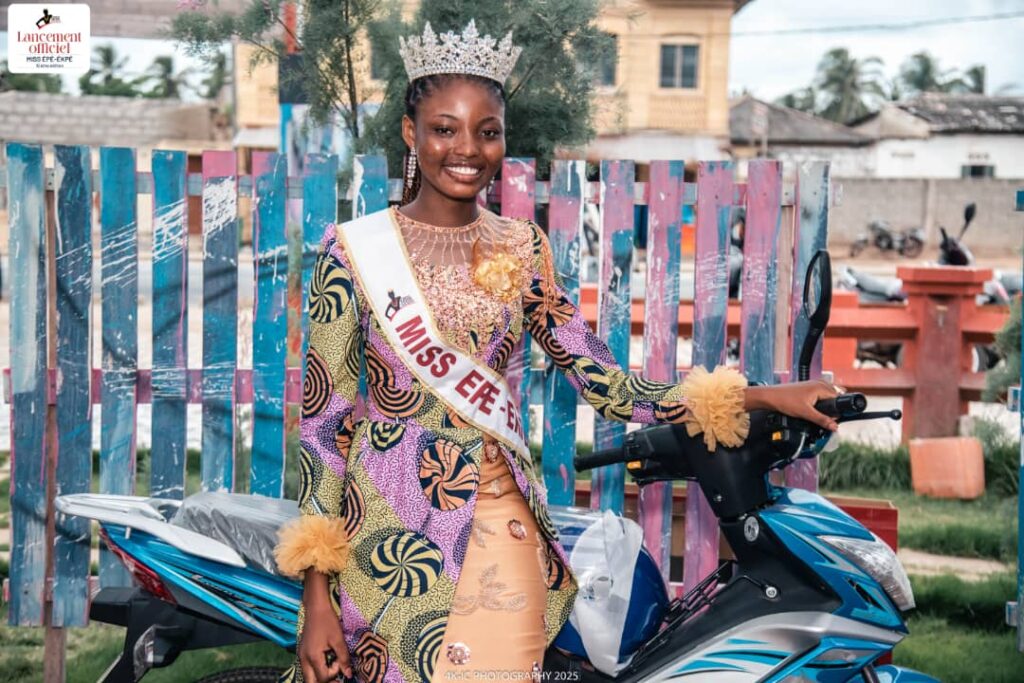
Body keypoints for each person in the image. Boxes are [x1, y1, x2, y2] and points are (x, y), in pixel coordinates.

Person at [272, 19, 841, 683]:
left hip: (499, 522)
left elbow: (607, 383)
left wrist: (760, 395)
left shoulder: (524, 247)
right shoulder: (352, 252)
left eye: (487, 131)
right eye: (444, 128)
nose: (467, 148)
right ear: (409, 133)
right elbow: (321, 429)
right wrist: (317, 594)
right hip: (387, 534)